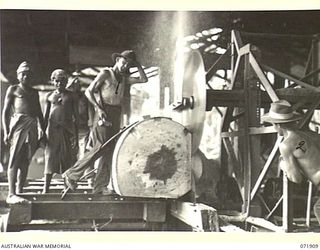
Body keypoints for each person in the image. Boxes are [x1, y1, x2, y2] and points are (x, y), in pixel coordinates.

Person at [62, 49, 148, 194]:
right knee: (100, 146)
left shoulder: (124, 77)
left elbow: (144, 79)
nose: (126, 66)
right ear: (117, 60)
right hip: (104, 111)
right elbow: (89, 91)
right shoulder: (106, 74)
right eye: (124, 62)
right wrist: (98, 109)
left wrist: (137, 65)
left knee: (110, 150)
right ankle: (71, 174)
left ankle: (100, 186)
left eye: (129, 64)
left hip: (116, 112)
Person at [262, 99, 320, 225]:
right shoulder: (309, 136)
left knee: (319, 209)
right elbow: (304, 150)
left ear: (277, 125)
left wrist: (283, 165)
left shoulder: (286, 145)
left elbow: (296, 178)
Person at [2, 61, 46, 204]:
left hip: (31, 127)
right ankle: (11, 193)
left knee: (25, 161)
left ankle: (20, 191)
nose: (26, 76)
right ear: (18, 76)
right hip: (18, 127)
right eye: (23, 74)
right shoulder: (13, 89)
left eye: (28, 74)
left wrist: (42, 130)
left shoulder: (34, 92)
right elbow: (5, 112)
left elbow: (39, 113)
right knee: (14, 159)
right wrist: (6, 131)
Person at [42, 69, 79, 193]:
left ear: (66, 81)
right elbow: (45, 117)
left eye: (62, 80)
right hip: (52, 131)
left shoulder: (72, 96)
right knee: (50, 157)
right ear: (53, 81)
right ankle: (45, 188)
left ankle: (66, 187)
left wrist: (76, 137)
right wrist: (42, 132)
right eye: (57, 81)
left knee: (66, 158)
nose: (59, 83)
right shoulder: (49, 96)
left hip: (67, 131)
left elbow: (76, 119)